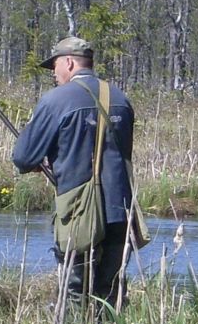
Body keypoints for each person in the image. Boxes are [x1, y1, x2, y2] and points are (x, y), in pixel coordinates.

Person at [12, 36, 135, 305]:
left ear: (68, 62)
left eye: (54, 66)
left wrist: (41, 161)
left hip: (80, 211)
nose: (54, 74)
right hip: (121, 208)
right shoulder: (120, 99)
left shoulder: (57, 100)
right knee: (111, 292)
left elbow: (23, 157)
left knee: (75, 292)